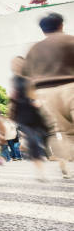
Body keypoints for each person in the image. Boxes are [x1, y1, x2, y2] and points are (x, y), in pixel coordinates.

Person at [23, 12, 74, 179]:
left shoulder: (34, 49)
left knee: (63, 132)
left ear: (43, 30)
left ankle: (65, 164)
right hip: (70, 87)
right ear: (61, 25)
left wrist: (35, 99)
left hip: (45, 94)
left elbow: (27, 78)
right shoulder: (70, 40)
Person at [10, 56, 49, 180]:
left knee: (46, 136)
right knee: (33, 141)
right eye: (15, 63)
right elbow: (13, 98)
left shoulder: (30, 77)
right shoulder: (14, 80)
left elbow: (39, 91)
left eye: (19, 63)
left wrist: (38, 100)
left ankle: (43, 154)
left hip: (36, 114)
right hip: (22, 116)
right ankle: (40, 171)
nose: (17, 65)